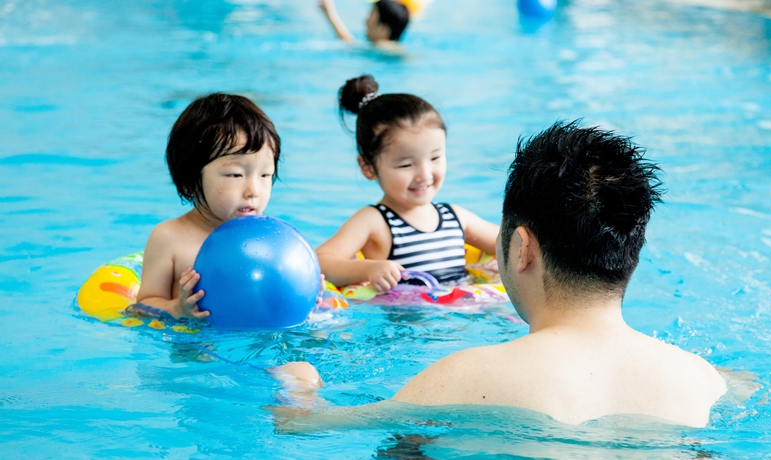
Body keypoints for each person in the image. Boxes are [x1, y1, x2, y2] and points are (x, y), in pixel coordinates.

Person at [276, 121, 727, 427]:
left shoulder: (457, 381)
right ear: (633, 250)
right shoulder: (704, 381)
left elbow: (307, 429)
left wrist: (300, 386)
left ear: (521, 248)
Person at [315, 74, 499, 293]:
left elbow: (512, 242)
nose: (424, 174)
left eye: (435, 158)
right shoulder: (374, 221)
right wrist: (368, 269)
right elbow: (319, 261)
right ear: (368, 167)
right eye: (405, 165)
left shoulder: (456, 218)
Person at [136, 93, 281, 319]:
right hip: (195, 348)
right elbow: (143, 306)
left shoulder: (271, 238)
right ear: (191, 181)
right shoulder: (170, 238)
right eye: (235, 174)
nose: (253, 190)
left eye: (265, 174)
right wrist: (176, 308)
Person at [318, 0, 410, 47]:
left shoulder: (381, 46)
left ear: (383, 28)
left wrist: (330, 13)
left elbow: (350, 44)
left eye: (371, 17)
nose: (365, 22)